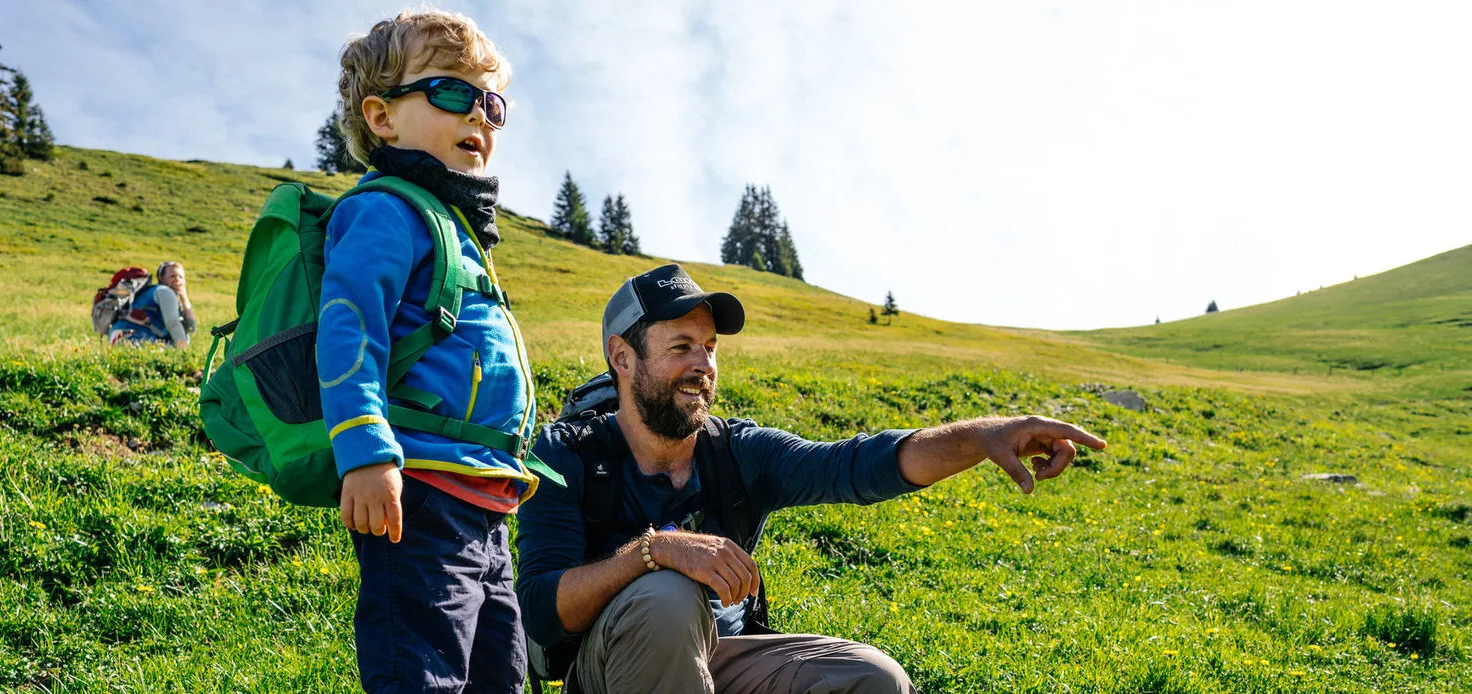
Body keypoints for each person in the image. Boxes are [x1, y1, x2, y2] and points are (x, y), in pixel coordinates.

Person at [516, 264, 1109, 694]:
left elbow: (853, 465)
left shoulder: (735, 450)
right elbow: (539, 610)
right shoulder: (567, 453)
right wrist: (653, 553)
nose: (703, 365)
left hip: (723, 654)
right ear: (622, 357)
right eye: (681, 347)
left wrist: (980, 438)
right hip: (615, 665)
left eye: (710, 348)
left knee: (874, 680)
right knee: (667, 595)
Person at [317, 11, 536, 694]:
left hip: (485, 503)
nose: (477, 113)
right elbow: (349, 329)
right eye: (450, 91)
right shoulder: (386, 209)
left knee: (499, 676)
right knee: (422, 674)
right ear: (381, 117)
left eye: (490, 103)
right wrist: (365, 450)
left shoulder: (457, 225)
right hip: (420, 491)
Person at [107, 261, 197, 348]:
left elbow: (191, 328)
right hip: (134, 336)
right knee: (171, 352)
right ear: (161, 278)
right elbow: (172, 323)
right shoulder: (165, 291)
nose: (177, 279)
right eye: (172, 276)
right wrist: (183, 349)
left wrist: (184, 297)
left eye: (181, 277)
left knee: (173, 346)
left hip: (118, 336)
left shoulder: (154, 291)